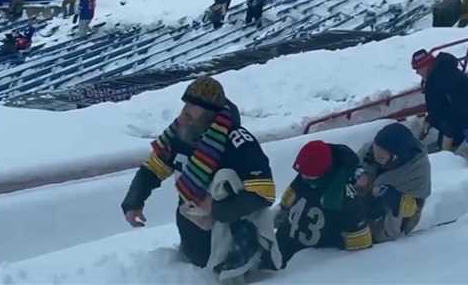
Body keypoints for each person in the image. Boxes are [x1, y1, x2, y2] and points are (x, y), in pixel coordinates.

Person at [121, 77, 277, 277]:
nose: (184, 114)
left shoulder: (238, 142)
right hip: (191, 234)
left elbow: (264, 192)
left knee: (224, 177)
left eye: (192, 110)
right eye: (185, 106)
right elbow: (153, 168)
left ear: (210, 116)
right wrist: (134, 201)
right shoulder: (181, 133)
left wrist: (216, 209)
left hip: (230, 243)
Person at [263, 140, 372, 269]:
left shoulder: (346, 198)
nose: (303, 177)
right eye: (301, 173)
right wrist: (277, 214)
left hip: (310, 260)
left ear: (323, 172)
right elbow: (287, 200)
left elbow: (360, 245)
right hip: (286, 242)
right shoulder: (306, 177)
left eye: (308, 174)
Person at [357, 123, 431, 243]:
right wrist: (361, 174)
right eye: (374, 152)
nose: (376, 158)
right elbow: (357, 165)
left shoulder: (417, 169)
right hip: (366, 199)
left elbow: (414, 206)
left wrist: (388, 193)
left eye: (380, 157)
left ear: (396, 156)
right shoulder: (372, 149)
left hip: (395, 215)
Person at [412, 49, 468, 151]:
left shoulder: (445, 78)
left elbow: (460, 105)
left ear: (425, 66)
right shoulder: (436, 77)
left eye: (417, 68)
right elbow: (439, 106)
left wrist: (448, 128)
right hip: (455, 121)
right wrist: (429, 120)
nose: (417, 72)